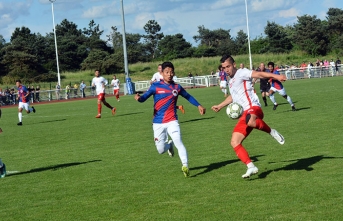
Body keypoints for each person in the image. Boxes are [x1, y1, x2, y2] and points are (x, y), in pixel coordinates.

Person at [211, 55, 285, 178]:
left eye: (228, 66)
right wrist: (220, 106)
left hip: (254, 108)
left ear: (234, 65)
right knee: (235, 142)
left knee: (250, 121)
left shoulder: (241, 73)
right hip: (245, 113)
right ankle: (251, 166)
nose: (226, 69)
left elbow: (259, 74)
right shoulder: (231, 81)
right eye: (224, 68)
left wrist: (276, 76)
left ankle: (272, 132)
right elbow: (233, 97)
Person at [135, 61, 206, 177]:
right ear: (162, 73)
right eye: (167, 72)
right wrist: (138, 98)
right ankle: (169, 145)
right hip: (158, 122)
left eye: (171, 72)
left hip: (172, 120)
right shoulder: (155, 86)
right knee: (161, 150)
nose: (169, 74)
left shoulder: (177, 87)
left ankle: (185, 165)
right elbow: (143, 98)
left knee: (179, 141)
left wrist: (198, 105)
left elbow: (188, 96)